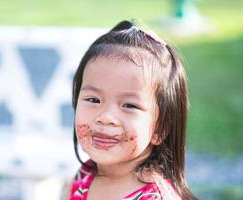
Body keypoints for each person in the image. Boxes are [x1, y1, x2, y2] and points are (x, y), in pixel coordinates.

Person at [67, 20, 197, 200]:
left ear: (161, 128)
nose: (105, 118)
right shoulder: (85, 176)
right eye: (93, 100)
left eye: (129, 105)